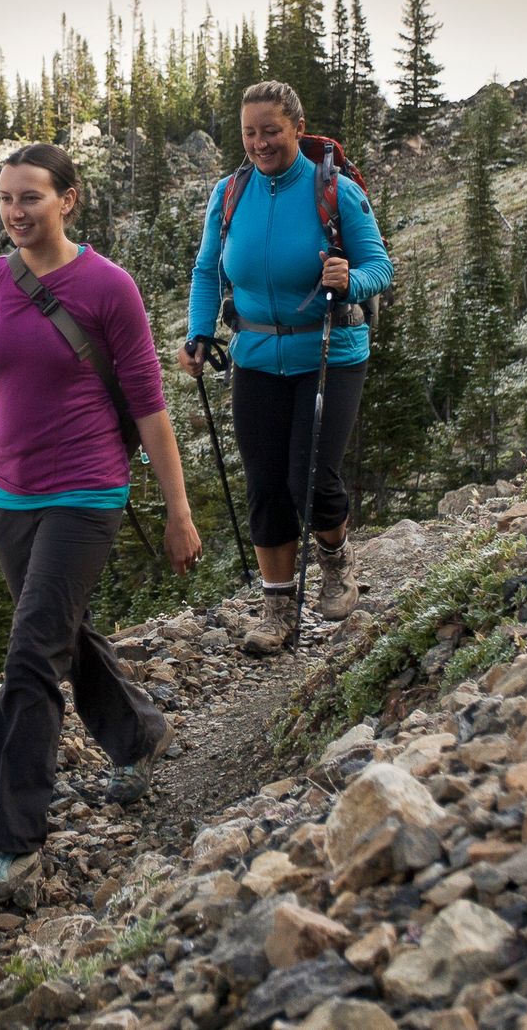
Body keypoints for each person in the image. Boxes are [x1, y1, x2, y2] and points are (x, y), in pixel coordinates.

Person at [0, 142, 203, 909]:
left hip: (87, 490)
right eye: (6, 199)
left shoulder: (109, 287)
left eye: (31, 198)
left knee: (31, 655)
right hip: (10, 493)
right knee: (60, 633)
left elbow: (148, 404)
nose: (15, 212)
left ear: (68, 200)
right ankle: (139, 734)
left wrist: (178, 511)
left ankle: (10, 845)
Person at [179, 80, 391, 655]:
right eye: (250, 133)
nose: (260, 142)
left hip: (329, 352)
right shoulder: (228, 193)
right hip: (254, 358)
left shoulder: (336, 191)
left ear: (297, 127)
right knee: (266, 483)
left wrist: (351, 280)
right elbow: (207, 272)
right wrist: (200, 333)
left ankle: (336, 560)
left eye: (271, 130)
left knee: (310, 476)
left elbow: (379, 266)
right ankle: (277, 608)